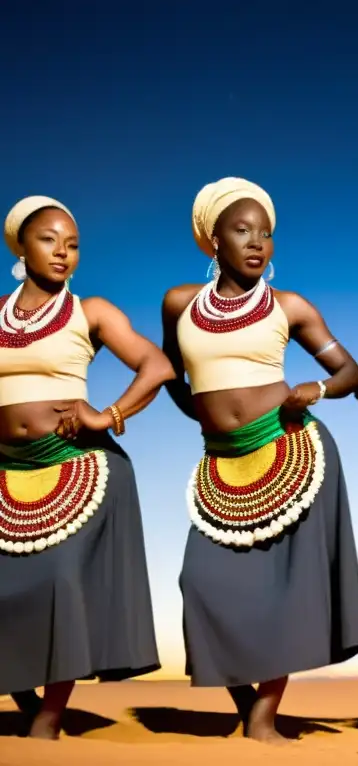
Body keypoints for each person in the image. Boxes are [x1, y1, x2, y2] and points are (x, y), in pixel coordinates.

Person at [160, 177, 358, 742]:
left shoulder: (289, 307)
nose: (257, 243)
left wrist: (317, 390)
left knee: (287, 592)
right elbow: (168, 375)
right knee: (197, 582)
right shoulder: (179, 304)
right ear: (213, 242)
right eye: (242, 230)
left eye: (267, 234)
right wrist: (208, 422)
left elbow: (350, 372)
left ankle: (261, 716)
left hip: (292, 454)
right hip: (222, 463)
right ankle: (243, 700)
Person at [0, 196, 170, 739]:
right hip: (8, 469)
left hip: (78, 467)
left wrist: (109, 415)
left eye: (72, 245)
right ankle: (22, 683)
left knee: (59, 583)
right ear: (21, 247)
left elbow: (157, 364)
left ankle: (48, 722)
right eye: (49, 240)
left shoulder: (89, 311)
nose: (63, 253)